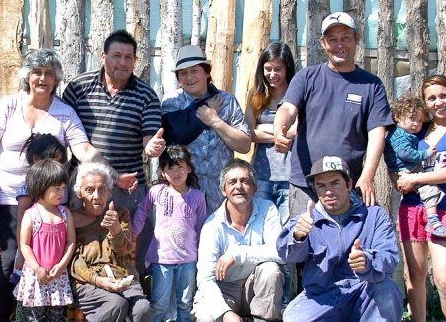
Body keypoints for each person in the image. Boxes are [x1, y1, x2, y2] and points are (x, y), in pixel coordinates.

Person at [0, 48, 103, 322]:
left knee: (45, 258)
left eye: (49, 73)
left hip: (50, 202)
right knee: (12, 257)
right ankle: (0, 315)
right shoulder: (9, 105)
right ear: (28, 76)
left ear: (56, 79)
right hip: (11, 197)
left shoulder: (64, 112)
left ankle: (35, 313)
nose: (43, 78)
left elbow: (82, 148)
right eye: (37, 72)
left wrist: (109, 171)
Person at [273, 11, 392, 215]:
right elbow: (287, 108)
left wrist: (367, 176)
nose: (339, 45)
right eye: (332, 39)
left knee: (349, 244)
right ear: (323, 42)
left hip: (347, 185)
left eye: (345, 38)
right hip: (306, 184)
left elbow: (377, 133)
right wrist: (279, 130)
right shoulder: (307, 77)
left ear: (357, 39)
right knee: (303, 242)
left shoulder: (372, 85)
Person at [278, 155, 403, 322]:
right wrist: (298, 237)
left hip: (364, 291)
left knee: (386, 289)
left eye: (335, 183)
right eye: (321, 186)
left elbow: (390, 257)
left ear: (349, 184)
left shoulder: (374, 216)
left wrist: (367, 260)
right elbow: (289, 257)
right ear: (315, 190)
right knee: (293, 319)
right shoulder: (306, 220)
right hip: (321, 296)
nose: (328, 191)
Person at [395, 75, 446, 322]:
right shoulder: (417, 129)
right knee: (415, 276)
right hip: (411, 207)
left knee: (444, 280)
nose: (438, 102)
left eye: (444, 95)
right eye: (431, 98)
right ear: (425, 103)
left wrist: (415, 180)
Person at [62, 30, 166, 214]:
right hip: (84, 185)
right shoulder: (78, 88)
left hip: (128, 187)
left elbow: (148, 139)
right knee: (82, 241)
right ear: (103, 56)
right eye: (116, 56)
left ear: (135, 60)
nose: (122, 63)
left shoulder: (146, 96)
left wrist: (152, 147)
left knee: (127, 241)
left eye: (128, 57)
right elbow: (62, 131)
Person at [161, 44, 252, 216]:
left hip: (220, 194)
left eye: (194, 71)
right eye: (183, 73)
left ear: (207, 72)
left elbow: (244, 145)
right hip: (184, 193)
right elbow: (176, 135)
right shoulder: (171, 103)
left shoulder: (227, 101)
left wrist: (216, 122)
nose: (189, 77)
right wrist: (200, 113)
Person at [191, 159, 284, 322]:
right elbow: (205, 279)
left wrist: (237, 254)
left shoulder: (267, 209)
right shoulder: (212, 225)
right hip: (223, 289)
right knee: (205, 317)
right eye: (232, 182)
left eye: (245, 181)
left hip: (255, 287)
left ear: (254, 188)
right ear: (223, 190)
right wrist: (225, 313)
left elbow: (281, 251)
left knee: (270, 269)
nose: (239, 186)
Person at [131, 145, 207, 322]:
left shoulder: (198, 196)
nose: (175, 172)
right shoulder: (157, 192)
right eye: (169, 168)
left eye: (180, 166)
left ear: (188, 168)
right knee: (159, 304)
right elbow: (142, 210)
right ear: (163, 173)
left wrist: (202, 255)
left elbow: (202, 226)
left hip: (188, 259)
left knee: (185, 304)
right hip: (162, 259)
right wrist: (134, 231)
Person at [70, 162, 151, 322]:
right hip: (89, 281)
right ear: (79, 193)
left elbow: (125, 252)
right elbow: (74, 262)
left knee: (143, 308)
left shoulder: (120, 214)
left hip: (122, 277)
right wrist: (100, 281)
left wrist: (115, 229)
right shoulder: (72, 219)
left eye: (102, 189)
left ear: (109, 192)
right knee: (116, 304)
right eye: (89, 190)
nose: (96, 195)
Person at [14, 159, 76, 322]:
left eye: (63, 188)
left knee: (56, 317)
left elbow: (71, 242)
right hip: (35, 277)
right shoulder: (31, 214)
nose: (61, 192)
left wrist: (61, 266)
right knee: (32, 317)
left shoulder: (65, 214)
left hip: (58, 277)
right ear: (41, 186)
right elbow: (24, 244)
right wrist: (37, 268)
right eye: (57, 189)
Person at [245, 42, 297, 225]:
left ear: (287, 69)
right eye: (268, 69)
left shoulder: (296, 94)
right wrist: (280, 132)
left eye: (278, 69)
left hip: (290, 175)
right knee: (261, 224)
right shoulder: (255, 95)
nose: (272, 75)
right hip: (262, 173)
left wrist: (263, 128)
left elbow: (297, 130)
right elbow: (249, 133)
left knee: (286, 227)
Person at [384, 94, 446, 238]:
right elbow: (404, 153)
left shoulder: (400, 133)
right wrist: (425, 154)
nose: (416, 124)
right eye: (412, 119)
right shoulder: (400, 135)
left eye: (420, 121)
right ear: (398, 117)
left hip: (402, 170)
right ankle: (433, 220)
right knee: (429, 188)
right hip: (405, 170)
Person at [11, 134, 69, 283]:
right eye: (52, 162)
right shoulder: (29, 187)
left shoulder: (58, 185)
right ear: (36, 159)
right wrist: (21, 254)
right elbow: (21, 221)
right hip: (32, 247)